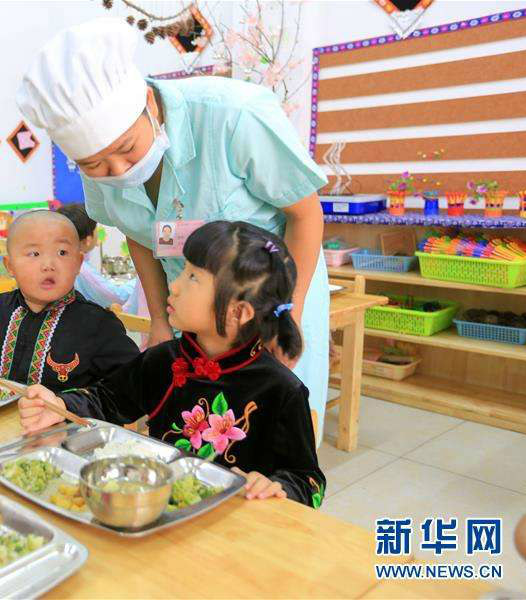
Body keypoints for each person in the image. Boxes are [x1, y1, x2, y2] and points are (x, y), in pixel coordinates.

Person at [17, 18, 332, 442]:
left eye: (127, 149)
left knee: (275, 432)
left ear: (148, 102)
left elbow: (305, 213)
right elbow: (138, 232)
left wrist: (286, 316)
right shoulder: (101, 159)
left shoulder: (235, 117)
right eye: (95, 165)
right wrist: (160, 321)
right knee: (204, 428)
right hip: (193, 307)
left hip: (271, 300)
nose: (118, 171)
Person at [18, 222, 325, 508]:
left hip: (234, 536)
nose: (174, 286)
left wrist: (275, 486)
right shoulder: (164, 360)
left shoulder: (281, 389)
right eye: (184, 271)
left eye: (193, 277)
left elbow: (309, 482)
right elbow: (107, 399)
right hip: (161, 512)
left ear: (238, 312)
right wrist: (57, 403)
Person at [0, 210, 139, 390]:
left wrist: (73, 404)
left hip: (64, 436)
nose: (48, 264)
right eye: (34, 254)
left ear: (78, 263)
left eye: (62, 252)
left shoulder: (99, 325)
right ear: (10, 266)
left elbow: (129, 388)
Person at [55, 203, 135, 309]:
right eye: (96, 229)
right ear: (88, 240)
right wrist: (140, 281)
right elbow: (117, 296)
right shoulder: (80, 268)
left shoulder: (59, 261)